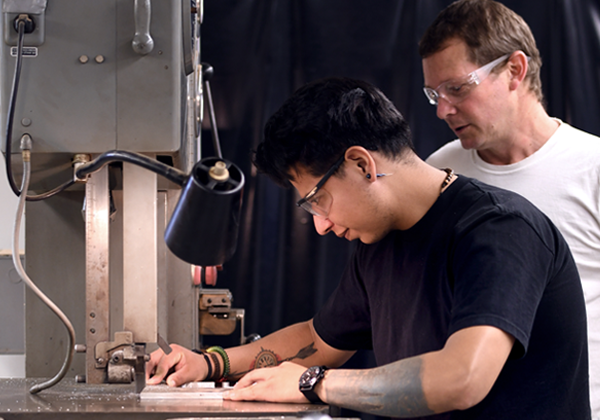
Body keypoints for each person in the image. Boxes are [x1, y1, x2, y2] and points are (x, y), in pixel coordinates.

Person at [146, 77, 590, 419]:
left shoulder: (499, 231)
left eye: (317, 199)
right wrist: (209, 364)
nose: (320, 226)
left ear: (362, 164)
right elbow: (318, 339)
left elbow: (462, 378)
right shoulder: (381, 241)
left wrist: (312, 383)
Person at [419, 1, 600, 417]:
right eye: (434, 94)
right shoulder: (439, 172)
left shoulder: (592, 168)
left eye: (458, 88)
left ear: (515, 70)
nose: (444, 109)